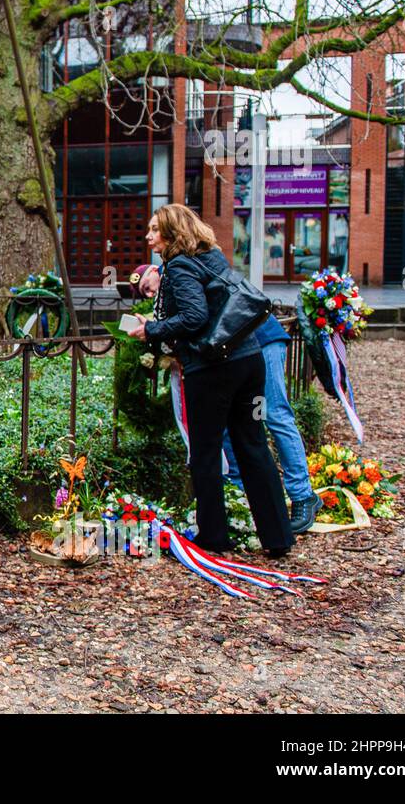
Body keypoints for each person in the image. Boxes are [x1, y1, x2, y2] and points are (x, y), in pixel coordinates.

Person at [124, 204, 294, 557]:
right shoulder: (212, 257)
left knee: (205, 451)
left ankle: (214, 536)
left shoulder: (181, 266)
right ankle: (277, 537)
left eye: (155, 230)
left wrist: (151, 329)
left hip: (213, 368)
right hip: (248, 359)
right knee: (254, 445)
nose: (149, 237)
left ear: (172, 233)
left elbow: (194, 316)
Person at [136, 266, 321, 534]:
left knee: (274, 413)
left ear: (155, 270)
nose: (150, 291)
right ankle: (238, 491)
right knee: (231, 421)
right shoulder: (169, 288)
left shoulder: (178, 269)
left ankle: (303, 495)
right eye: (145, 293)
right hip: (234, 354)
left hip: (261, 339)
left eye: (147, 285)